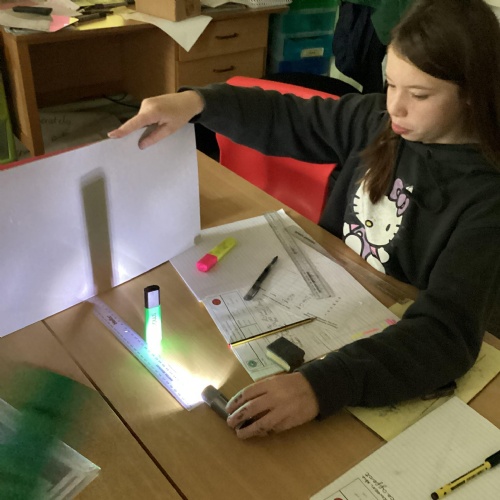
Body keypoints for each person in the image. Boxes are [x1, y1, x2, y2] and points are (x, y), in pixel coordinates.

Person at [109, 0, 500, 439]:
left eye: (420, 95)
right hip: (333, 306)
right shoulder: (376, 121)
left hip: (390, 349)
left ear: (471, 92)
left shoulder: (486, 198)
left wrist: (321, 386)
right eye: (391, 84)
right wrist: (198, 101)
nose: (396, 107)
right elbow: (288, 116)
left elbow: (446, 333)